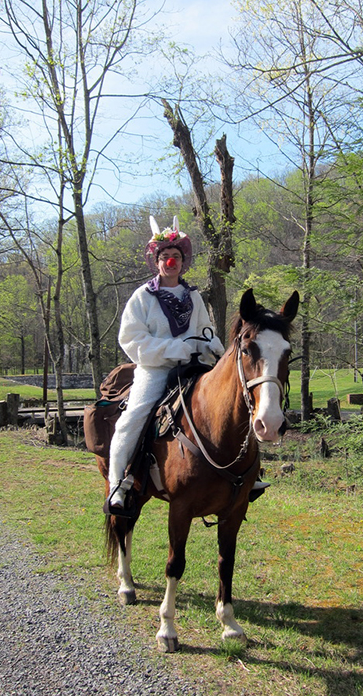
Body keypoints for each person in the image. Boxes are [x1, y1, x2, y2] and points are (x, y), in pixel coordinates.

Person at [105, 216, 224, 513]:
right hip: (156, 369)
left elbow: (204, 330)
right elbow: (131, 339)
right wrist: (173, 348)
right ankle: (118, 484)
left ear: (183, 263)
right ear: (157, 262)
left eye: (176, 257)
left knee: (229, 403)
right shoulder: (142, 297)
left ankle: (244, 475)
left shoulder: (194, 297)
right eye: (166, 257)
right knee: (132, 419)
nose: (171, 262)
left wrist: (212, 346)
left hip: (195, 367)